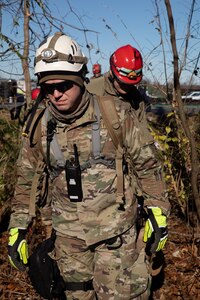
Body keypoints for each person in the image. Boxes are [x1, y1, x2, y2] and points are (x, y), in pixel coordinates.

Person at [8, 32, 170, 300]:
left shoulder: (115, 113)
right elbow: (26, 180)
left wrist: (158, 211)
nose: (56, 94)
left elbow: (147, 164)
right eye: (49, 88)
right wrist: (18, 227)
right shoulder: (38, 125)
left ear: (80, 80)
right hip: (69, 239)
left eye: (63, 86)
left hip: (117, 234)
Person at [86, 45, 151, 114]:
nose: (127, 86)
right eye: (122, 82)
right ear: (112, 72)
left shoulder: (136, 97)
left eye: (131, 83)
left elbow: (141, 122)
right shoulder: (90, 91)